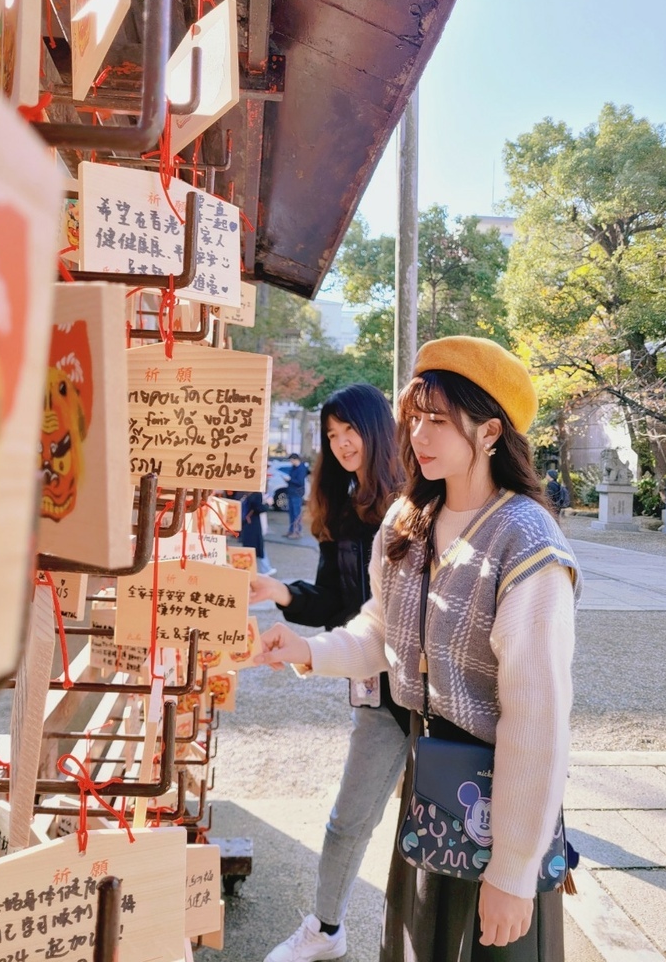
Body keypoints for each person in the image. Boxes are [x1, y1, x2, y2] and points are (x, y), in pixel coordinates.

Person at [255, 336, 582, 962]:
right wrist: (306, 649)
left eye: (438, 420)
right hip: (432, 792)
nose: (418, 434)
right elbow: (382, 632)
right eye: (415, 417)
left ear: (489, 432)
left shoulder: (529, 544)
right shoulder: (409, 519)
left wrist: (513, 872)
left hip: (497, 799)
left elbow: (537, 720)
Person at [251, 384, 411, 962]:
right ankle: (326, 929)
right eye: (332, 435)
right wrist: (281, 593)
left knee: (448, 816)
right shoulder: (338, 504)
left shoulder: (419, 499)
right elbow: (334, 603)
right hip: (376, 684)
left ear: (377, 430)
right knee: (350, 818)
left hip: (438, 688)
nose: (342, 444)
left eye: (351, 432)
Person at [237, 490, 276, 575]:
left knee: (251, 547)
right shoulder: (256, 493)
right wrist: (267, 504)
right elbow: (259, 508)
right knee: (257, 547)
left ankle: (252, 568)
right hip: (253, 524)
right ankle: (264, 569)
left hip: (247, 523)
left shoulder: (246, 492)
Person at [283, 452, 309, 538]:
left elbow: (300, 482)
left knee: (296, 513)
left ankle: (297, 531)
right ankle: (291, 530)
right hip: (291, 491)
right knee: (291, 513)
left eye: (291, 460)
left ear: (295, 460)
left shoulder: (301, 469)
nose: (291, 462)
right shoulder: (293, 468)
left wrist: (290, 480)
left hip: (297, 493)